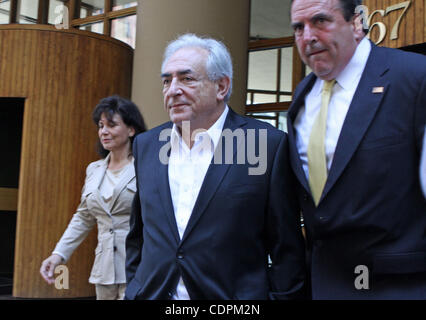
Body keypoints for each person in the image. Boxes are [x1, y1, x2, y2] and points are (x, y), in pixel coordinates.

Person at [125, 33, 306, 300]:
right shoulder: (147, 145)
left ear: (221, 87)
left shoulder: (264, 144)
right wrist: (135, 289)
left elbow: (286, 249)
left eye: (186, 79)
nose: (173, 90)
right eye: (167, 81)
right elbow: (139, 234)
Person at [287, 0, 426, 299]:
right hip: (324, 285)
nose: (307, 36)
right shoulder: (303, 94)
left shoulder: (415, 78)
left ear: (357, 22)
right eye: (299, 27)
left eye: (320, 21)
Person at [40, 95, 146, 300]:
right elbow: (83, 217)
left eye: (111, 125)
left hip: (137, 268)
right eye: (100, 125)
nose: (104, 131)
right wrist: (58, 254)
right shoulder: (94, 170)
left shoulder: (145, 167)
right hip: (103, 271)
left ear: (131, 129)